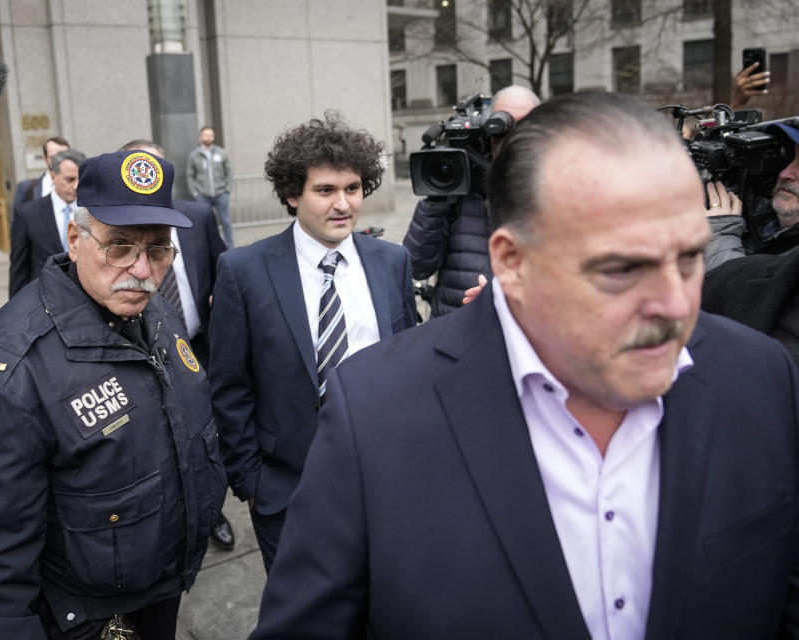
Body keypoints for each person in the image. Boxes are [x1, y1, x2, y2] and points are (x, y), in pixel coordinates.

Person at [251, 92, 799, 638]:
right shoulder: (373, 416)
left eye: (688, 258)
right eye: (621, 269)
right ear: (512, 261)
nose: (675, 307)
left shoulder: (762, 378)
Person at [0, 150, 228, 639]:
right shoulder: (11, 375)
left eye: (158, 250)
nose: (141, 270)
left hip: (160, 589)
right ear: (75, 239)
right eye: (119, 246)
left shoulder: (151, 310)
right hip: (87, 621)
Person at [208, 113, 417, 572]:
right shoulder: (244, 271)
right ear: (291, 194)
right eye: (325, 190)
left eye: (353, 189)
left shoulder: (392, 262)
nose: (343, 204)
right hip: (287, 493)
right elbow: (229, 386)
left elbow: (409, 368)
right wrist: (253, 483)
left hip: (383, 483)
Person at [119, 139, 234, 551]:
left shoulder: (198, 215)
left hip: (198, 345)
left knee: (207, 431)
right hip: (140, 352)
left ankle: (212, 510)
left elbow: (222, 266)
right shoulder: (116, 226)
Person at [402, 85, 539, 317]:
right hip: (456, 328)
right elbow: (416, 266)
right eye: (503, 124)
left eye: (525, 124)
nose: (513, 136)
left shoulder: (560, 188)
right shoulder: (460, 182)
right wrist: (437, 200)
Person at [705, 122, 799, 270]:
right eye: (789, 159)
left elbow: (747, 291)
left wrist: (721, 235)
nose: (785, 174)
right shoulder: (759, 218)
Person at [8, 148, 86, 297]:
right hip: (45, 297)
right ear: (52, 176)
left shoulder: (92, 211)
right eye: (70, 179)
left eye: (80, 179)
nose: (76, 186)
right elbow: (19, 270)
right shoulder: (28, 214)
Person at [186, 126, 234, 248]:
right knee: (204, 224)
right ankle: (208, 248)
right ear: (201, 137)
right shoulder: (194, 155)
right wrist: (195, 193)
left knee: (226, 222)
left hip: (221, 194)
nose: (208, 137)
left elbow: (228, 172)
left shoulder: (221, 153)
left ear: (213, 137)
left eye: (210, 135)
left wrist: (227, 189)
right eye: (205, 135)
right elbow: (190, 175)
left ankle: (230, 248)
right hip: (203, 196)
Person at [12, 136, 71, 211]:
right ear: (45, 159)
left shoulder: (81, 186)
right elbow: (17, 221)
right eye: (54, 157)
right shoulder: (25, 188)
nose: (60, 160)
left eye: (64, 156)